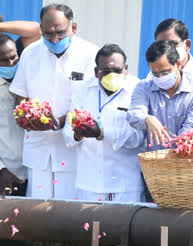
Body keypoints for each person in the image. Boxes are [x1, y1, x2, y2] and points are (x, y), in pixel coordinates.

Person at [9, 3, 98, 199]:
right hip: (38, 150)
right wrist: (25, 118)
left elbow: (93, 104)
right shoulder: (31, 54)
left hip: (74, 150)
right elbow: (20, 97)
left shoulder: (91, 55)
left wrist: (59, 122)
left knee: (72, 215)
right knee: (37, 215)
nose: (54, 38)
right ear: (40, 29)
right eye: (48, 34)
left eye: (60, 32)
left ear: (73, 28)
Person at [63, 44, 144, 202]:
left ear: (126, 69)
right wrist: (77, 134)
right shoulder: (83, 90)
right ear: (95, 71)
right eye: (105, 71)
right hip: (89, 184)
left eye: (117, 71)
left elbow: (138, 137)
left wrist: (101, 133)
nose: (111, 75)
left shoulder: (137, 89)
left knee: (121, 227)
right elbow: (67, 134)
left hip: (125, 185)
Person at [129, 40, 193, 148]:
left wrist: (175, 151)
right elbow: (134, 114)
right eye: (155, 73)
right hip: (153, 161)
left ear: (178, 64)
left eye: (165, 72)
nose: (160, 77)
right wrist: (147, 119)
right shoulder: (144, 88)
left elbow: (192, 127)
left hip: (185, 159)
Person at [0, 20, 41, 196]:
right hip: (6, 173)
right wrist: (1, 169)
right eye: (4, 60)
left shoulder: (26, 75)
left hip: (35, 170)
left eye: (14, 56)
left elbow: (36, 30)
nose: (11, 63)